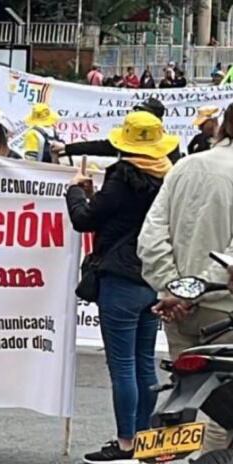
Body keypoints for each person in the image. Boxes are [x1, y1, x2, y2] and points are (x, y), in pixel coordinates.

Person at [66, 111, 176, 463]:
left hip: (120, 278)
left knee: (122, 367)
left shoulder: (122, 178)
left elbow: (84, 219)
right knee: (145, 362)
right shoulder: (169, 176)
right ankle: (144, 438)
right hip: (152, 276)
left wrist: (74, 192)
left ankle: (126, 441)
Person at [138, 103, 233, 453]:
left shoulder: (183, 167)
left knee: (184, 398)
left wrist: (172, 288)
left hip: (176, 310)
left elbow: (151, 236)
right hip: (223, 309)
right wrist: (189, 291)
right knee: (222, 418)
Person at [52, 98, 183, 166]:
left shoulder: (169, 145)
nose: (136, 115)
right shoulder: (128, 138)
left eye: (143, 113)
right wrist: (66, 148)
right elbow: (100, 146)